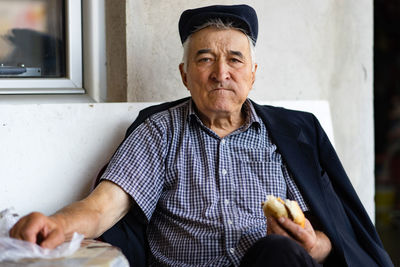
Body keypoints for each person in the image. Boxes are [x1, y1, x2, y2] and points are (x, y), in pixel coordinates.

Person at [10, 4, 393, 267]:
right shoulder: (160, 132)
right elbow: (102, 206)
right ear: (184, 74)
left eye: (235, 59)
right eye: (205, 58)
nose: (221, 72)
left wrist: (315, 246)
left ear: (253, 73)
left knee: (280, 252)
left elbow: (334, 238)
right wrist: (57, 224)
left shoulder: (291, 138)